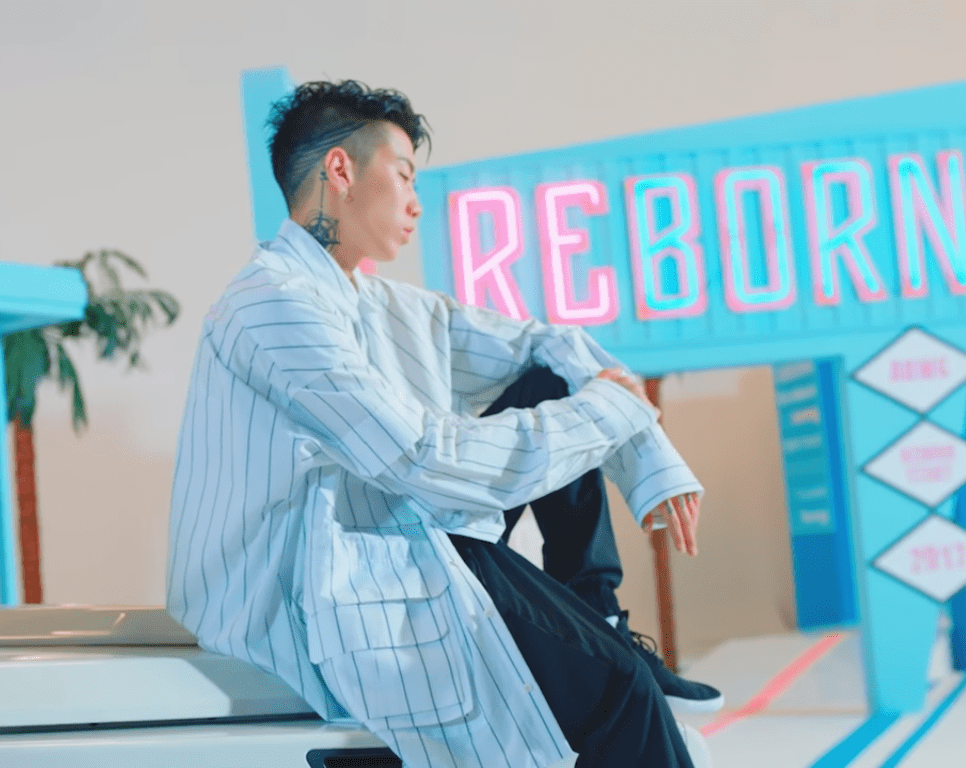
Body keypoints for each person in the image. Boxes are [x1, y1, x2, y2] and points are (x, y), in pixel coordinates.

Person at [168, 80, 706, 768]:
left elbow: (550, 347)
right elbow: (422, 459)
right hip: (302, 587)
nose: (416, 203)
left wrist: (652, 459)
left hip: (407, 528)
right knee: (622, 690)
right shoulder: (270, 305)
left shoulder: (385, 304)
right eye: (403, 176)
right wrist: (611, 411)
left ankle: (596, 605)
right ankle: (603, 645)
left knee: (551, 381)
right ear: (341, 171)